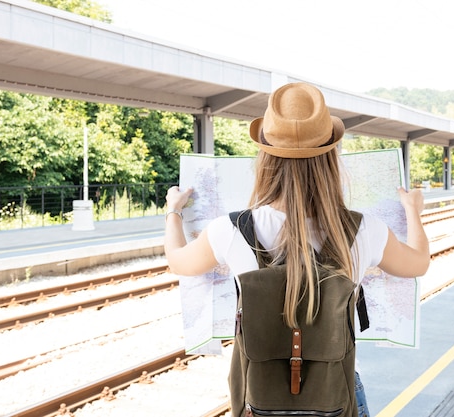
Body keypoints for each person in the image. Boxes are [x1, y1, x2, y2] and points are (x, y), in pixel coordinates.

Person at [164, 82, 430, 417]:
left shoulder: (230, 230)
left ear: (264, 159)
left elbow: (178, 260)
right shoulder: (364, 230)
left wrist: (173, 211)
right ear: (331, 159)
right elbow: (418, 262)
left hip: (258, 400)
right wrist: (413, 212)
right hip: (337, 396)